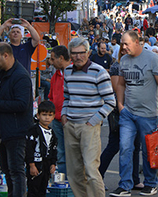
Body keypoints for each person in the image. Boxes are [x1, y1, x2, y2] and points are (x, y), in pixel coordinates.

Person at [110, 31, 158, 197]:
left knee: (148, 150)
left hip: (148, 113)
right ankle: (125, 186)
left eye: (126, 43)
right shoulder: (124, 60)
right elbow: (121, 84)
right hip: (128, 112)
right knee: (125, 148)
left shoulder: (152, 59)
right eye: (122, 43)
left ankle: (150, 183)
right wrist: (120, 105)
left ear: (137, 42)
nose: (123, 47)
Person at [62, 37, 116, 197]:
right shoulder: (67, 71)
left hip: (89, 127)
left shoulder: (99, 72)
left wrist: (92, 122)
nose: (78, 57)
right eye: (74, 53)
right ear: (70, 55)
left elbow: (110, 102)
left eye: (81, 53)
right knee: (74, 171)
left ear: (88, 53)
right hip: (70, 124)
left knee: (91, 169)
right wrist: (64, 115)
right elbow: (66, 96)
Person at [0, 42, 33, 197]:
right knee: (6, 169)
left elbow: (22, 104)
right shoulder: (1, 74)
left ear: (6, 55)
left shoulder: (20, 76)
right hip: (4, 131)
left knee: (16, 171)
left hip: (17, 131)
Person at [100, 44, 144, 191]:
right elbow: (116, 88)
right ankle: (98, 177)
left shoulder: (136, 65)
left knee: (135, 146)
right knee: (114, 145)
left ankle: (135, 179)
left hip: (136, 109)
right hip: (119, 110)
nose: (126, 53)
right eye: (123, 51)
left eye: (128, 50)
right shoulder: (116, 67)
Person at [26, 101, 58, 197]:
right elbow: (29, 149)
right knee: (33, 189)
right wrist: (31, 165)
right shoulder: (33, 131)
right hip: (36, 164)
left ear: (53, 116)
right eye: (44, 115)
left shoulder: (52, 134)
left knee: (43, 188)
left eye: (49, 115)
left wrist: (53, 163)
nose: (47, 118)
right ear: (38, 115)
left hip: (46, 165)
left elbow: (54, 150)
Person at [48, 45, 70, 177]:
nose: (51, 62)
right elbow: (51, 96)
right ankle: (64, 182)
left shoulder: (74, 73)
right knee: (61, 153)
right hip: (56, 121)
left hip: (70, 120)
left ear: (61, 58)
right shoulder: (55, 76)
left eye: (52, 59)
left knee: (73, 153)